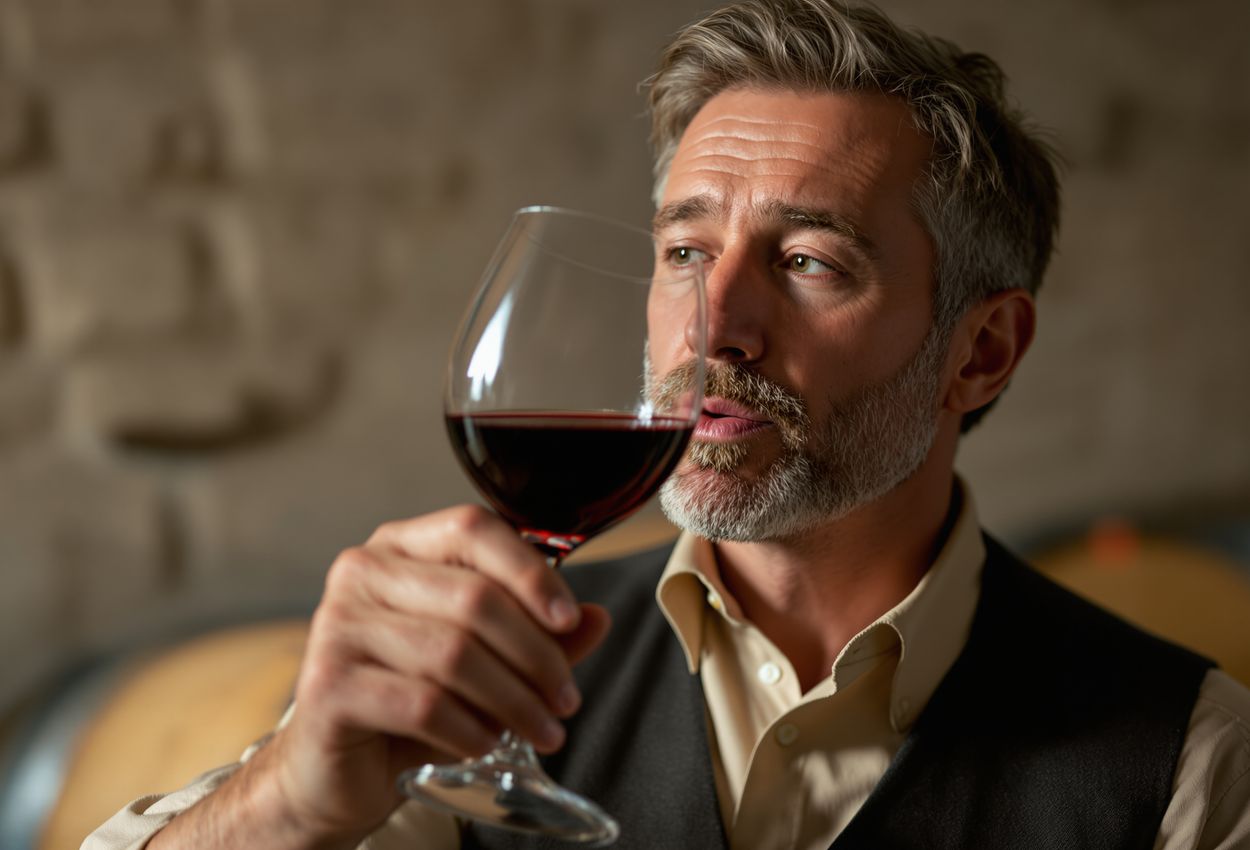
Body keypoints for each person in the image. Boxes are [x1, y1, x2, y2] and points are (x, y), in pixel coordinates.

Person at [86, 1, 1250, 848]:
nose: (717, 326)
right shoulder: (475, 682)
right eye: (685, 253)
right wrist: (293, 791)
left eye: (806, 261)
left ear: (979, 349)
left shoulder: (1189, 759)